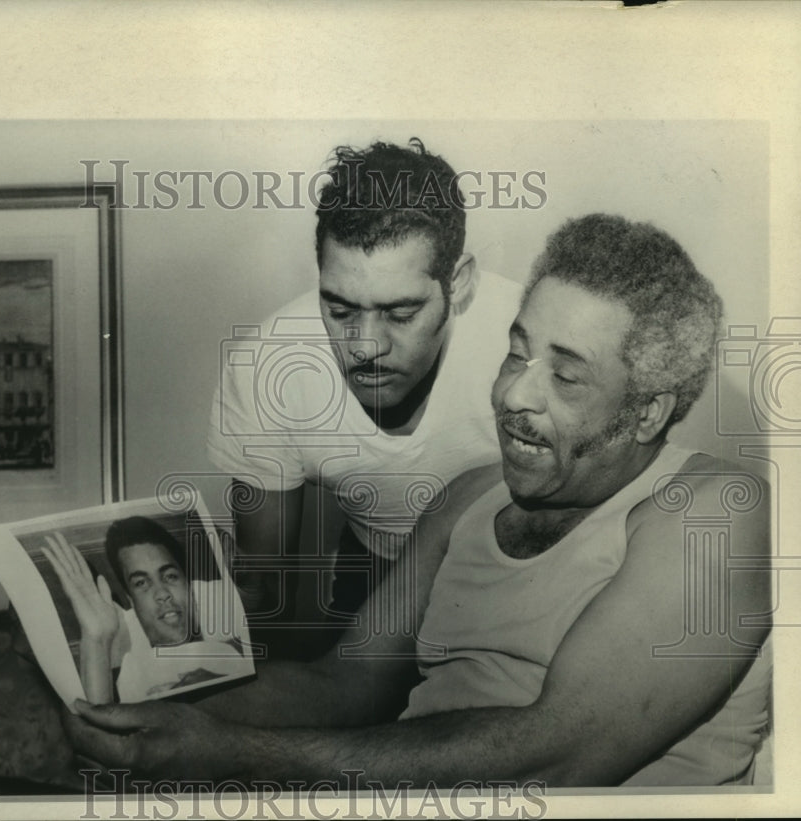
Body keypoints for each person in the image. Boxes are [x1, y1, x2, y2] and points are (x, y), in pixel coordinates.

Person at [65, 214, 772, 787]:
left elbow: (557, 755)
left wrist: (236, 753)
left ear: (648, 413)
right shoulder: (470, 495)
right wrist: (150, 711)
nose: (512, 395)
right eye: (516, 352)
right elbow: (343, 685)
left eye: (566, 376)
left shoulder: (718, 512)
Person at [208, 138, 523, 655]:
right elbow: (264, 592)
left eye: (401, 314)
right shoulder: (268, 365)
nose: (366, 347)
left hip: (516, 573)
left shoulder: (527, 341)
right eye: (341, 309)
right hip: (372, 571)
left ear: (459, 282)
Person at [43, 516, 246, 705]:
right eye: (141, 583)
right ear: (132, 600)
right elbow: (103, 732)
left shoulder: (230, 650)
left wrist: (219, 684)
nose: (162, 593)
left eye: (170, 576)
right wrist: (96, 640)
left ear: (189, 587)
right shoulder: (132, 673)